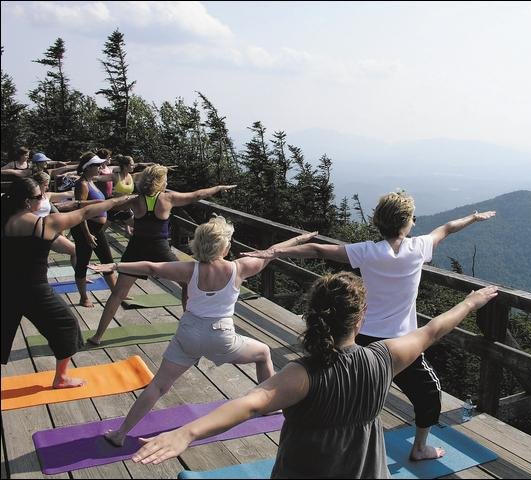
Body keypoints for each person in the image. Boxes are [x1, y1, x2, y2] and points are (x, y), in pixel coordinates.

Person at [130, 272, 498, 476]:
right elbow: (434, 329)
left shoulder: (302, 374)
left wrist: (188, 432)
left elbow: (251, 404)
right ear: (360, 319)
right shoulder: (384, 357)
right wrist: (471, 301)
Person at [242, 191, 496, 460]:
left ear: (379, 222)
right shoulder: (419, 247)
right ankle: (420, 448)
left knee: (347, 391)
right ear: (406, 222)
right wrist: (473, 218)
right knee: (429, 393)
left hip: (362, 338)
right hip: (402, 344)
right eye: (412, 218)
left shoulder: (367, 251)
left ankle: (335, 441)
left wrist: (274, 251)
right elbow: (446, 228)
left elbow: (317, 249)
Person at [88, 216, 316, 446]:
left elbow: (150, 266)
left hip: (188, 335)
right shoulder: (240, 268)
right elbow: (273, 251)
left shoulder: (189, 270)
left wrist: (115, 265)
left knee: (158, 385)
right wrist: (300, 238)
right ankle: (268, 406)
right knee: (263, 352)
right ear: (225, 247)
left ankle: (120, 433)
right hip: (221, 337)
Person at [1, 178, 135, 387]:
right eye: (39, 196)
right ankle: (61, 378)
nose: (44, 197)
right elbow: (83, 214)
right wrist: (118, 201)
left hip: (7, 288)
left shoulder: (6, 219)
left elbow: (79, 207)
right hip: (34, 291)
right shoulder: (44, 223)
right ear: (27, 202)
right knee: (67, 325)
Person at [86, 164, 237, 345]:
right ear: (161, 182)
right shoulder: (168, 198)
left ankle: (98, 336)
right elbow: (197, 195)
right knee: (187, 283)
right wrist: (219, 188)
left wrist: (79, 206)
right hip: (160, 249)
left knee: (118, 293)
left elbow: (110, 204)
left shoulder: (136, 200)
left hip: (137, 249)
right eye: (165, 179)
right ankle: (187, 328)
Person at [70, 152, 134, 307]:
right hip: (86, 230)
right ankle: (83, 297)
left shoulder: (91, 182)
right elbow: (81, 213)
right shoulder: (82, 184)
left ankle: (116, 293)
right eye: (97, 165)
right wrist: (87, 235)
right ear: (88, 167)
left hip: (96, 230)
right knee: (83, 262)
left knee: (107, 260)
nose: (100, 168)